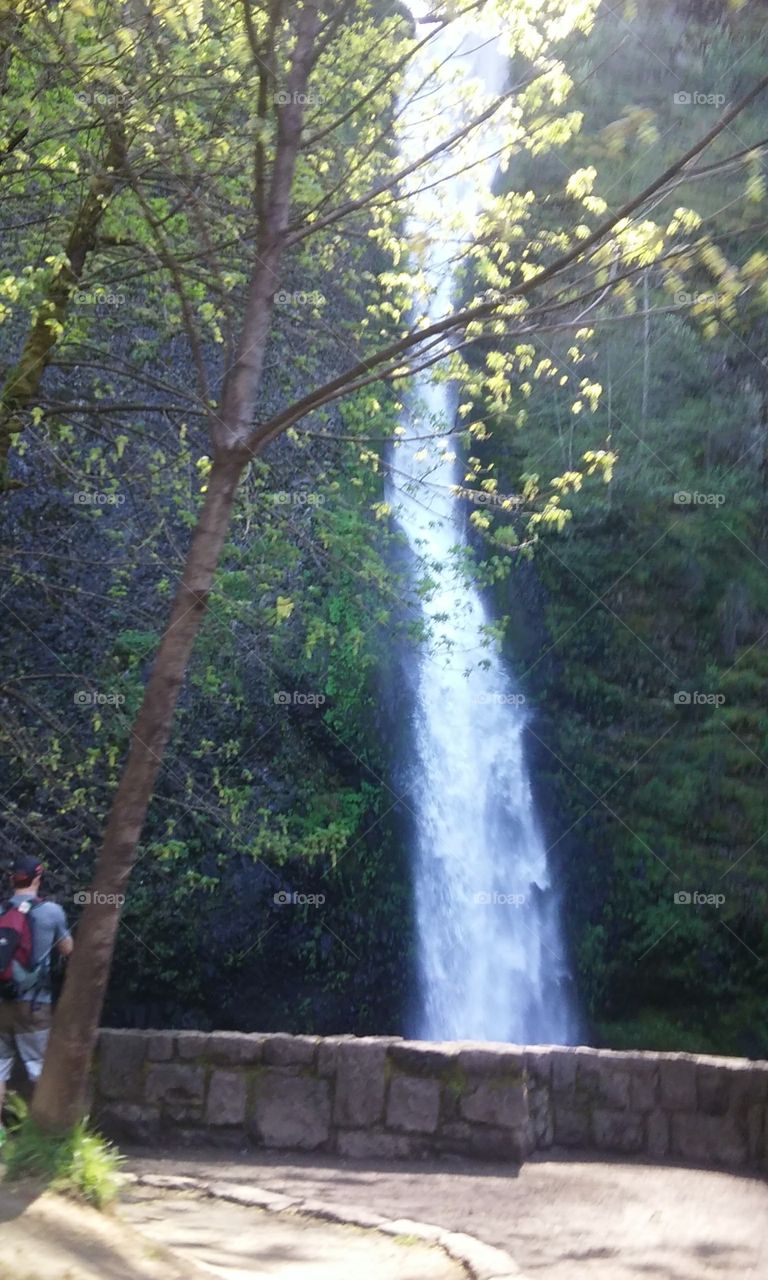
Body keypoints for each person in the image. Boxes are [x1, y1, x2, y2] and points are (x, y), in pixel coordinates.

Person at [0, 856, 73, 1137]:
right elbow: (69, 949)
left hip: (1, 1001)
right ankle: (45, 1133)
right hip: (35, 1003)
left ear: (12, 880)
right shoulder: (51, 912)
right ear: (37, 879)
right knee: (38, 1065)